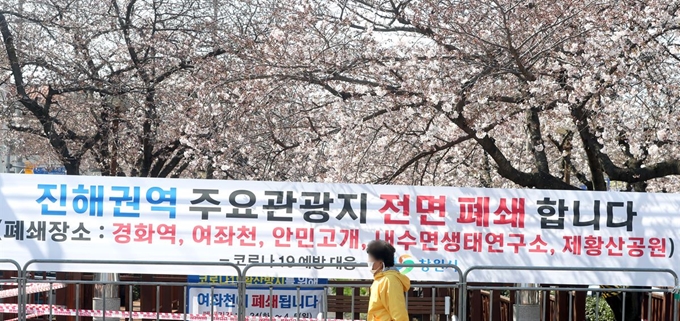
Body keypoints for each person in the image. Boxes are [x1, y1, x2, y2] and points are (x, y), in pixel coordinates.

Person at [366, 240, 410, 321]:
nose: (368, 261)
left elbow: (399, 313)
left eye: (370, 258)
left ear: (380, 263)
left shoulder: (390, 280)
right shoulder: (380, 279)